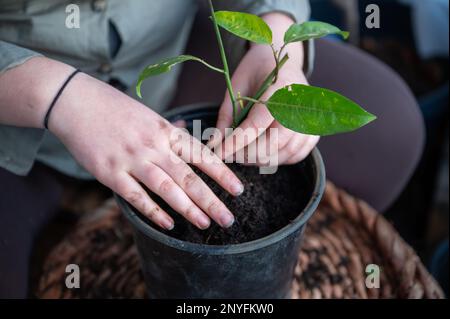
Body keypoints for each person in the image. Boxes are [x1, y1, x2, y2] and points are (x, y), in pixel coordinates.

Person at [0, 0, 424, 298]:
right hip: (17, 115)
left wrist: (276, 44)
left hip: (166, 51)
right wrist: (60, 98)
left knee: (392, 132)